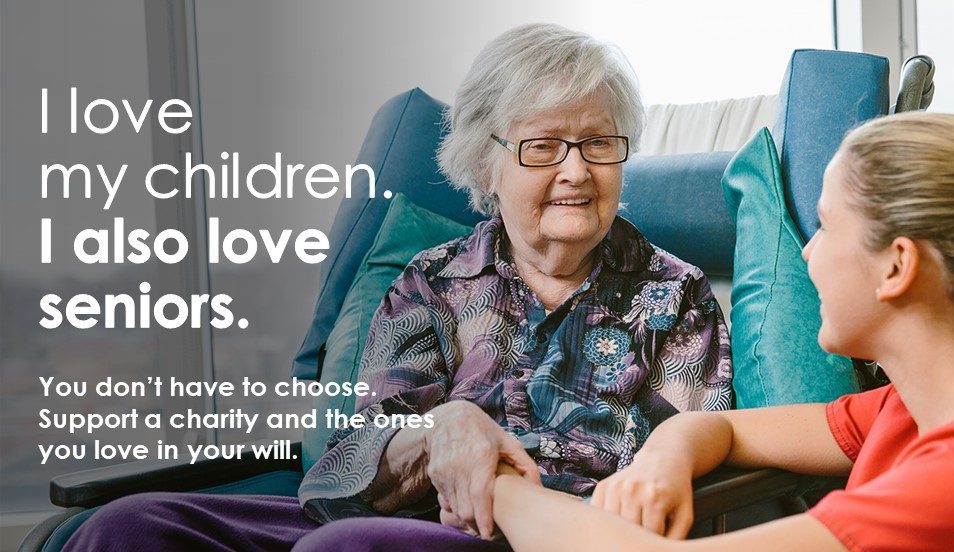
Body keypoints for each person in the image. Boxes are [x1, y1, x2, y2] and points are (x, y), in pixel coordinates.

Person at [64, 23, 731, 552]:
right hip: (394, 517)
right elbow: (350, 461)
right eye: (544, 146)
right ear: (485, 163)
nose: (577, 170)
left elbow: (685, 475)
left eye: (599, 144)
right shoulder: (433, 283)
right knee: (126, 529)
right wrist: (440, 428)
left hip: (552, 534)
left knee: (352, 546)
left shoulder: (676, 297)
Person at [489, 112, 954, 551]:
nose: (808, 254)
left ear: (897, 266)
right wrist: (664, 460)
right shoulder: (926, 404)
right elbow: (722, 430)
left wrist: (495, 487)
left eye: (825, 227)